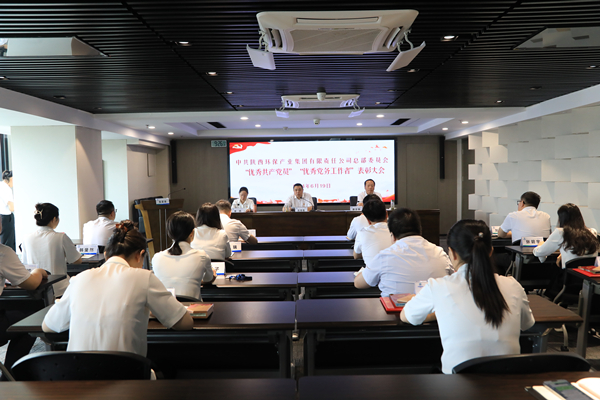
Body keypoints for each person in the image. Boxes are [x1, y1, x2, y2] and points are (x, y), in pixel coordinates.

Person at [400, 219, 535, 374]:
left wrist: (438, 312)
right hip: (507, 382)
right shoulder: (513, 285)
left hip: (457, 384)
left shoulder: (437, 286)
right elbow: (527, 324)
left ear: (452, 253)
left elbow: (407, 316)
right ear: (490, 251)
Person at [42, 220, 193, 357]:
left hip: (78, 375)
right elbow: (185, 323)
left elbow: (48, 325)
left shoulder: (79, 279)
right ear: (140, 255)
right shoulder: (143, 277)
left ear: (106, 255)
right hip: (125, 375)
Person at [354, 208, 452, 296]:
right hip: (435, 310)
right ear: (420, 230)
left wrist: (367, 270)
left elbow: (359, 284)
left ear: (393, 236)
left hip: (395, 310)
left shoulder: (384, 256)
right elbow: (453, 278)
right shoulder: (440, 254)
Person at [0, 221, 48, 370]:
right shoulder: (3, 252)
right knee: (28, 320)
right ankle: (11, 374)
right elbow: (31, 284)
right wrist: (38, 271)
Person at [21, 203, 82, 297]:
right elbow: (77, 261)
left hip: (36, 289)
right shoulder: (61, 237)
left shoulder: (26, 238)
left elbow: (25, 264)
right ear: (54, 219)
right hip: (60, 288)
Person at [152, 211, 215, 300]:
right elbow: (208, 279)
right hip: (193, 307)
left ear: (169, 233)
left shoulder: (157, 257)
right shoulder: (201, 256)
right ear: (192, 233)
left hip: (165, 307)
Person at [533, 203, 599, 269]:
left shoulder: (560, 232)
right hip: (587, 273)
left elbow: (540, 252)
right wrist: (563, 254)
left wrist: (540, 245)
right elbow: (581, 254)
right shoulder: (592, 232)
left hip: (569, 273)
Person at [353, 198, 392, 267]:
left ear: (368, 220)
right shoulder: (396, 231)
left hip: (372, 272)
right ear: (386, 214)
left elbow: (356, 256)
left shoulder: (362, 233)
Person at [0, 170, 15, 250]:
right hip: (6, 218)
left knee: (2, 242)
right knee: (7, 244)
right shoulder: (6, 188)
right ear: (11, 179)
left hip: (1, 217)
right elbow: (11, 208)